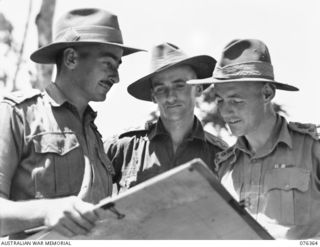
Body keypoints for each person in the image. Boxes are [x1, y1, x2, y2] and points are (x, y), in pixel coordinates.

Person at [0, 8, 143, 239]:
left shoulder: (94, 135)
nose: (116, 77)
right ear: (71, 58)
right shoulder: (19, 115)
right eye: (109, 64)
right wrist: (46, 211)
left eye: (118, 66)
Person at [188, 38, 320, 239]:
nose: (225, 111)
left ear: (267, 93)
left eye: (236, 100)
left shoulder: (313, 148)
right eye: (220, 100)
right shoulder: (224, 166)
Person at [104, 42, 227, 193]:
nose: (170, 97)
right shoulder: (124, 147)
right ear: (153, 96)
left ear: (198, 89)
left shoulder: (221, 156)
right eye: (161, 89)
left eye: (179, 85)